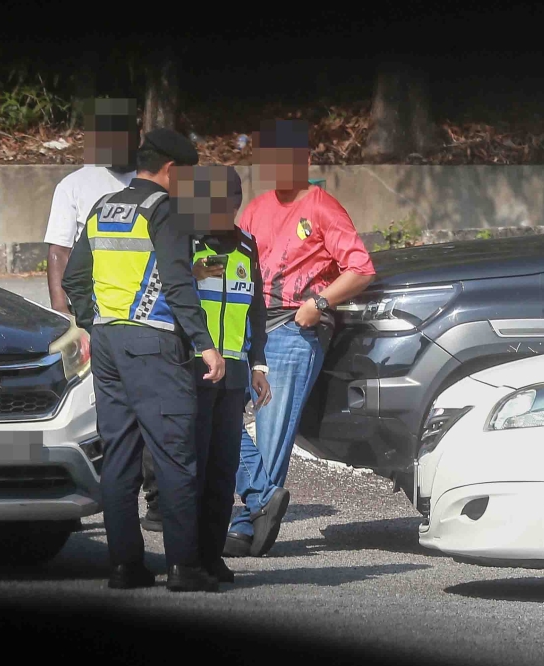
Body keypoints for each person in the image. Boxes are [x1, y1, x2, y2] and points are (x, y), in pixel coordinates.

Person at [61, 127, 226, 593]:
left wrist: (95, 322)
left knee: (120, 456)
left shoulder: (103, 207)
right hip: (153, 345)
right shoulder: (165, 210)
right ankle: (184, 567)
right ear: (173, 169)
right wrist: (205, 343)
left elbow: (76, 277)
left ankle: (125, 566)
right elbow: (175, 283)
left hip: (109, 343)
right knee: (175, 454)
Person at [224, 119, 376, 558]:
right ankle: (257, 504)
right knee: (219, 414)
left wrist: (319, 306)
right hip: (252, 325)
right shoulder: (254, 208)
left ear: (305, 160)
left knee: (272, 427)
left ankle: (245, 521)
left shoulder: (323, 206)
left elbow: (361, 269)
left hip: (296, 325)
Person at [144, 163, 272, 583]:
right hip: (191, 369)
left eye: (226, 203)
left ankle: (212, 555)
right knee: (190, 470)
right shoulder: (185, 241)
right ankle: (187, 558)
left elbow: (255, 308)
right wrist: (192, 273)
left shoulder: (248, 246)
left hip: (234, 372)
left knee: (222, 469)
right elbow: (162, 295)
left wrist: (258, 364)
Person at [44, 98, 138, 316]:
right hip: (93, 306)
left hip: (142, 304)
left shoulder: (150, 180)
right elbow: (59, 250)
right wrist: (60, 309)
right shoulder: (74, 185)